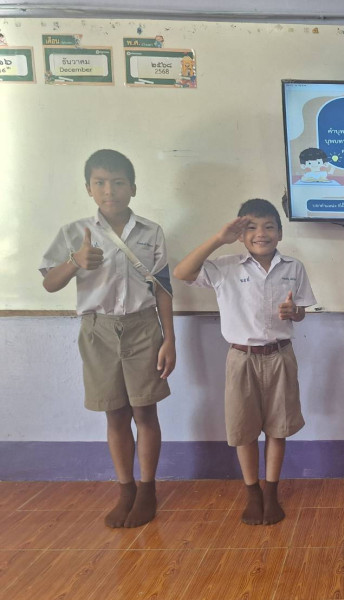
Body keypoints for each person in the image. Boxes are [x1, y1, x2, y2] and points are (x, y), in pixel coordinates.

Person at [40, 149, 176, 528]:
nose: (109, 190)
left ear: (133, 188)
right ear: (88, 188)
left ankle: (147, 490)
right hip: (98, 329)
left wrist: (170, 339)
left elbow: (163, 288)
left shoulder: (151, 232)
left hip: (143, 326)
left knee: (145, 411)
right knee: (114, 412)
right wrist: (75, 262)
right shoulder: (74, 232)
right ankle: (126, 489)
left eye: (118, 182)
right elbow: (49, 283)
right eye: (99, 182)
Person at [173, 198, 315, 525]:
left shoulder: (293, 268)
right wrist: (217, 239)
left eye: (268, 226)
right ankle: (252, 492)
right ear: (239, 234)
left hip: (280, 356)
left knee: (278, 429)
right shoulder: (225, 266)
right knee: (244, 430)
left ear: (280, 233)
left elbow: (302, 313)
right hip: (241, 358)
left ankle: (271, 492)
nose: (260, 233)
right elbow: (182, 272)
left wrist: (294, 312)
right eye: (250, 227)